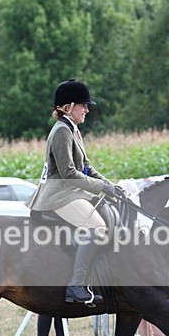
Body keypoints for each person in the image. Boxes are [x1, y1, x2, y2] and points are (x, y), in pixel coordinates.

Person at [25, 79, 124, 305]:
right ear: (68, 106)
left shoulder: (73, 129)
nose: (87, 109)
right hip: (59, 194)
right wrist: (101, 188)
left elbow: (87, 168)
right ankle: (76, 285)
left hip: (70, 192)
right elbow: (69, 173)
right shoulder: (61, 131)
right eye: (83, 105)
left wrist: (110, 185)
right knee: (97, 228)